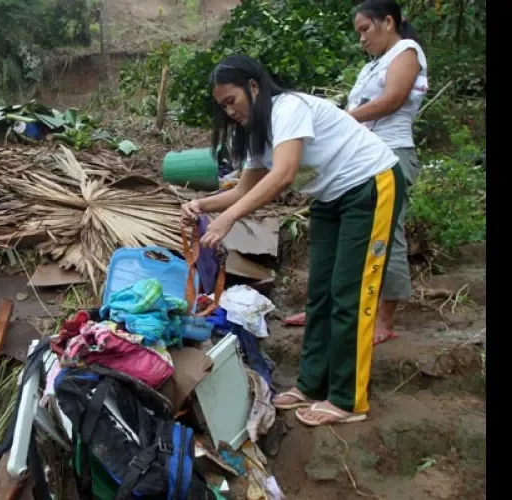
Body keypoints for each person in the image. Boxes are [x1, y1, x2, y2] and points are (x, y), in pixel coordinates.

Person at [181, 55, 404, 426]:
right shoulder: (257, 133)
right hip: (330, 197)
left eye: (231, 100)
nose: (229, 111)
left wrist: (227, 220)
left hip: (369, 185)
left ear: (253, 87)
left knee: (351, 292)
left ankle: (349, 400)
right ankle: (311, 384)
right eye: (222, 106)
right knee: (320, 294)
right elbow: (244, 189)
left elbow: (283, 175)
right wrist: (200, 204)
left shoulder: (289, 108)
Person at [283, 0, 428, 345]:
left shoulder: (406, 52)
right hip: (355, 159)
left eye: (365, 29)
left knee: (386, 236)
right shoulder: (373, 66)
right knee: (338, 238)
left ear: (388, 22)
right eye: (358, 32)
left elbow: (392, 100)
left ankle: (384, 319)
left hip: (390, 153)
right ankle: (326, 307)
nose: (361, 38)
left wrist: (342, 120)